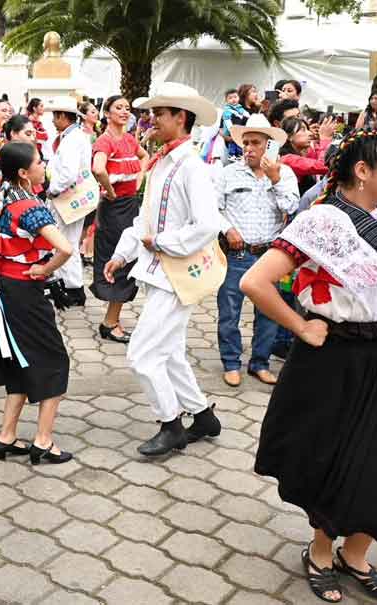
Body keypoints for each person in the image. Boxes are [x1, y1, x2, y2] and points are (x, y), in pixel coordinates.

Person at [241, 129, 377, 604]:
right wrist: (302, 327)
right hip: (336, 362)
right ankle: (318, 553)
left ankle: (356, 556)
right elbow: (256, 282)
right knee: (331, 460)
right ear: (362, 171)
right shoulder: (321, 223)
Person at [102, 82, 223, 457]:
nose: (151, 120)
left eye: (159, 113)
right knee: (168, 352)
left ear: (181, 118)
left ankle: (170, 424)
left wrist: (162, 242)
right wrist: (123, 255)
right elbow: (145, 219)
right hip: (158, 272)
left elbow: (206, 225)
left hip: (175, 275)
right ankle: (202, 416)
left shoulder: (191, 167)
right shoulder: (163, 162)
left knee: (142, 354)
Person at [0, 142, 76, 464]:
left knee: (17, 361)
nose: (43, 164)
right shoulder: (29, 207)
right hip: (24, 291)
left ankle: (6, 436)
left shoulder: (2, 195)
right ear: (24, 173)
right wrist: (45, 268)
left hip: (2, 289)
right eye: (38, 161)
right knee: (54, 361)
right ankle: (43, 441)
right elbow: (66, 248)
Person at [216, 114, 300, 388]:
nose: (249, 148)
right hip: (237, 254)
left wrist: (275, 179)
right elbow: (213, 209)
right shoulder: (228, 172)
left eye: (256, 143)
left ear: (269, 145)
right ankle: (231, 363)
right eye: (246, 143)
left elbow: (291, 208)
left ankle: (260, 363)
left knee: (268, 312)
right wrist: (228, 229)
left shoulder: (284, 174)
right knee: (230, 310)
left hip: (270, 256)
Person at [89, 96, 147, 343]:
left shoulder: (129, 139)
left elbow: (145, 157)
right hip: (114, 210)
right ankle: (110, 323)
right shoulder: (105, 141)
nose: (124, 111)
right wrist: (111, 192)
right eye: (118, 108)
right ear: (107, 114)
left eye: (126, 107)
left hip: (129, 205)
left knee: (127, 258)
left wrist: (138, 180)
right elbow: (98, 168)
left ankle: (112, 320)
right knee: (120, 259)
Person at [43, 97, 93, 308]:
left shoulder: (72, 139)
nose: (53, 121)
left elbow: (68, 173)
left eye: (55, 116)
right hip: (72, 198)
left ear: (63, 116)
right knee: (68, 241)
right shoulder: (75, 136)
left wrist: (52, 190)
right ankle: (71, 287)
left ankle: (72, 289)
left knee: (65, 243)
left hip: (65, 198)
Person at [221, 84, 258, 159]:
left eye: (256, 91)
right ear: (245, 94)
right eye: (253, 92)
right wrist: (229, 137)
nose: (256, 94)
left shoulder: (256, 110)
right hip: (235, 144)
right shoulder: (233, 109)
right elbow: (221, 127)